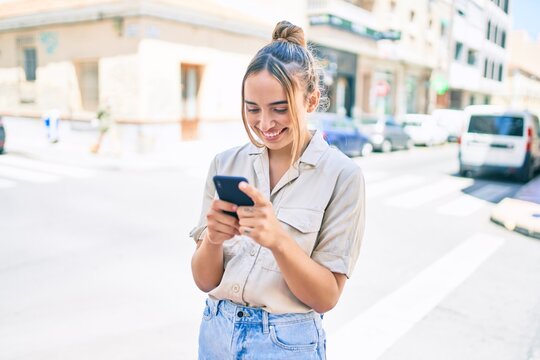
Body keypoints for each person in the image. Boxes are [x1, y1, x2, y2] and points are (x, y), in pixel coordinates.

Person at [190, 20, 365, 359]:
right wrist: (213, 238)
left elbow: (326, 297)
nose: (265, 124)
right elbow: (204, 280)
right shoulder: (225, 164)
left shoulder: (342, 176)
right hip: (216, 330)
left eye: (280, 109)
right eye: (252, 108)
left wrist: (278, 240)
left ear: (311, 101)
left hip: (285, 342)